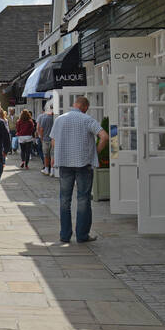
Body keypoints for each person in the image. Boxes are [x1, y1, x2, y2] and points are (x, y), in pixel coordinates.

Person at [51, 96, 108, 244]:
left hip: (64, 163)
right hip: (84, 164)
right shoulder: (87, 119)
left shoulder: (60, 119)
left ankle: (65, 235)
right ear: (84, 107)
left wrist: (55, 156)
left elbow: (53, 141)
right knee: (83, 199)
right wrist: (95, 152)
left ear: (74, 104)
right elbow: (104, 137)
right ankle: (82, 235)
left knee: (64, 200)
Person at [37, 105, 57, 176]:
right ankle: (52, 170)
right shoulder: (56, 118)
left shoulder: (44, 118)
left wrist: (41, 138)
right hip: (54, 139)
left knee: (46, 155)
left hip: (45, 139)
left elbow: (41, 129)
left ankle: (46, 169)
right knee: (52, 155)